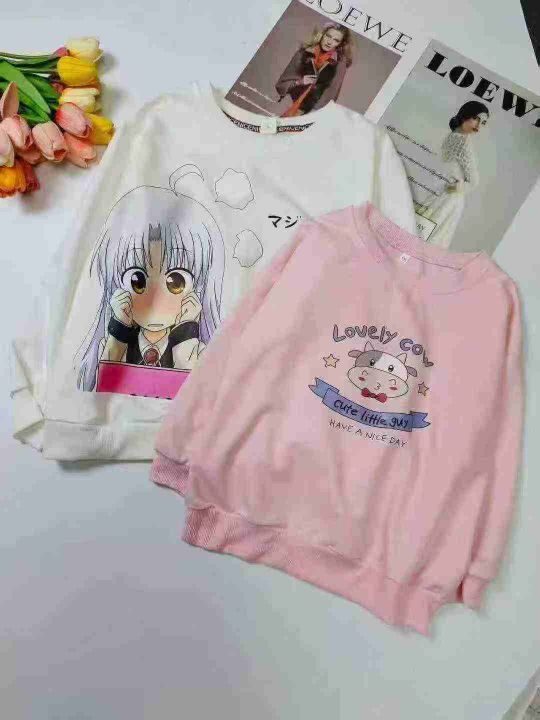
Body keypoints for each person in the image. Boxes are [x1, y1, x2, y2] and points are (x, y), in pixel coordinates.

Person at [77, 168, 225, 391]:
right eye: (137, 280)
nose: (155, 297)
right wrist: (119, 330)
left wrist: (186, 332)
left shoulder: (202, 352)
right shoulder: (113, 345)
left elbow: (196, 394)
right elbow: (101, 388)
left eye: (175, 282)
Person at [417, 101, 489, 248]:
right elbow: (474, 181)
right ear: (466, 114)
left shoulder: (451, 136)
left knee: (424, 232)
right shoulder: (463, 142)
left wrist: (456, 185)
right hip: (448, 197)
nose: (479, 125)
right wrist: (456, 186)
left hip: (443, 193)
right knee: (432, 238)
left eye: (483, 122)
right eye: (476, 118)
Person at [275, 22, 353, 117]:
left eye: (336, 40)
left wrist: (314, 114)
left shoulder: (339, 63)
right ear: (322, 34)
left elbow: (331, 93)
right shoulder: (303, 53)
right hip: (289, 103)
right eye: (328, 36)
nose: (329, 42)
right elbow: (282, 83)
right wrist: (300, 82)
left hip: (311, 112)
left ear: (340, 44)